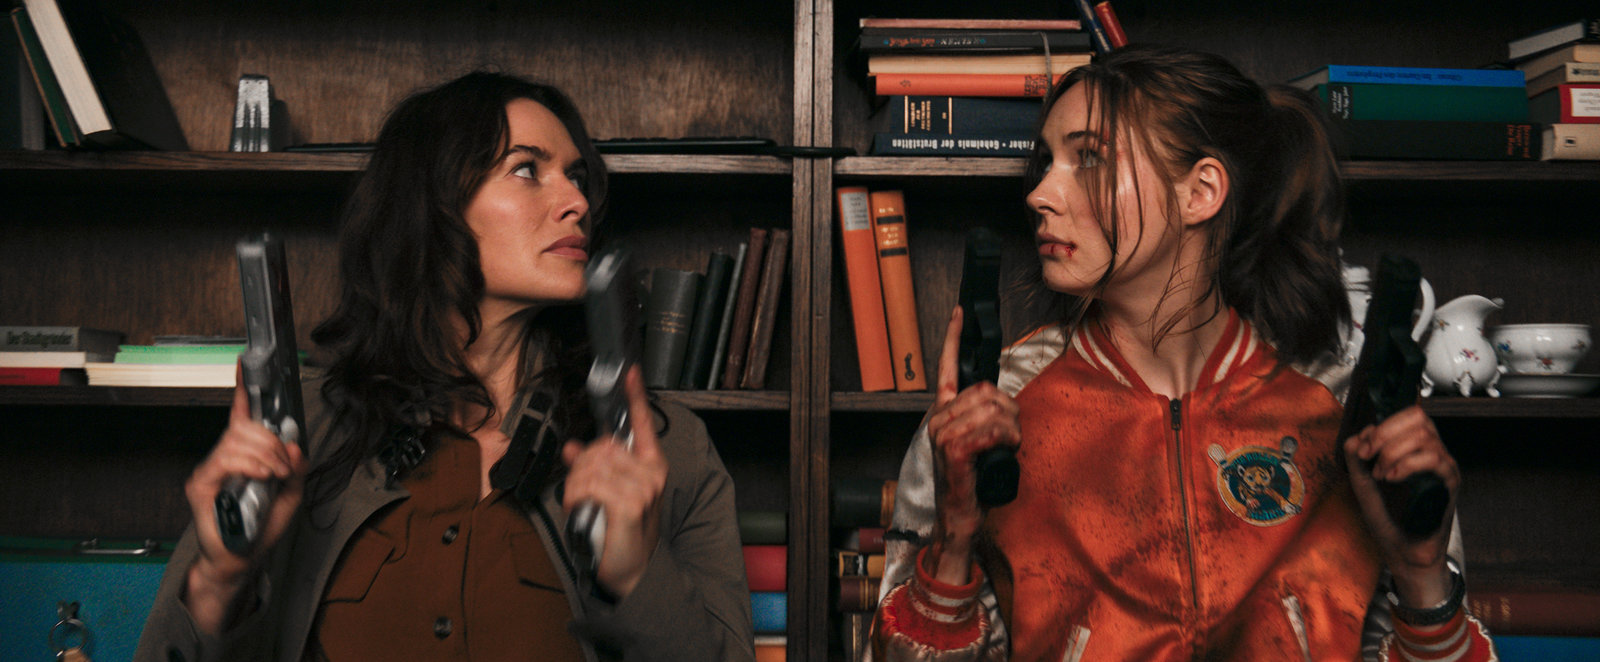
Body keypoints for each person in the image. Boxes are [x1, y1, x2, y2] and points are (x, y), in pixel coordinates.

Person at [869, 46, 1495, 661]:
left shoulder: (1341, 410)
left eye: (1089, 158)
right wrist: (952, 541)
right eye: (1046, 163)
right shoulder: (995, 409)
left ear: (1200, 192)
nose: (1039, 194)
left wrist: (1422, 579)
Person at [135, 72, 755, 662]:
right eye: (527, 170)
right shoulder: (305, 434)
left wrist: (640, 575)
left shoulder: (666, 450)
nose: (576, 202)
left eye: (577, 177)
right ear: (433, 206)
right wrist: (220, 579)